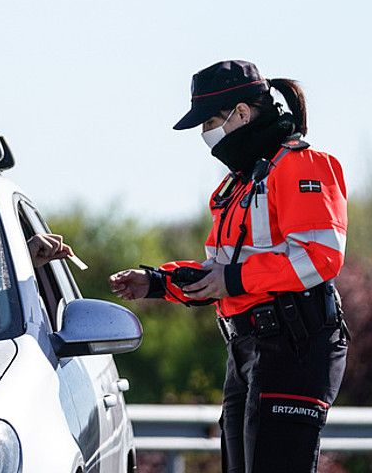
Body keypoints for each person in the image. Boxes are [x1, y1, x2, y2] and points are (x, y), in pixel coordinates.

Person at [110, 60, 349, 473]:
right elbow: (217, 270)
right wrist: (155, 282)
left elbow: (320, 257)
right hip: (246, 349)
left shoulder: (302, 165)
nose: (206, 136)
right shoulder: (235, 185)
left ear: (241, 113)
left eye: (210, 122)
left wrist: (233, 279)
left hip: (294, 345)